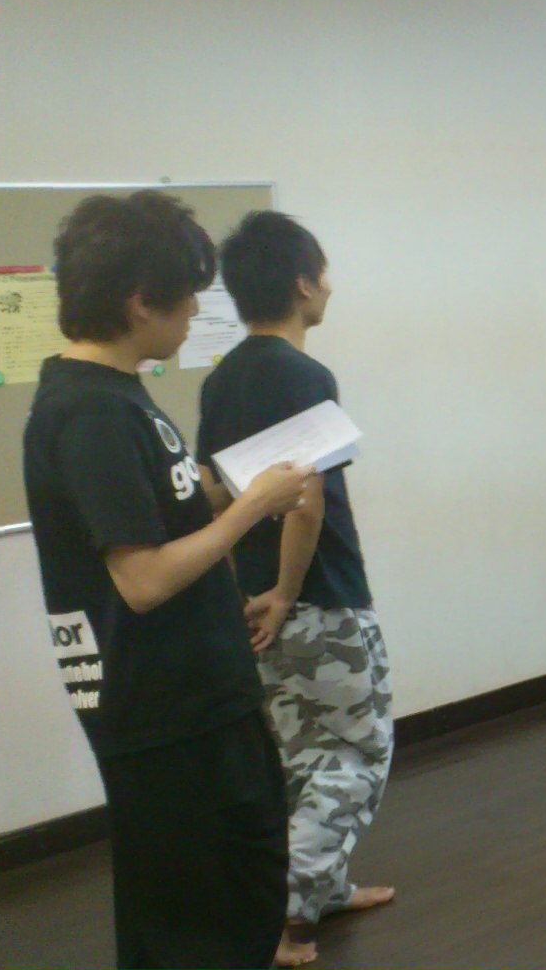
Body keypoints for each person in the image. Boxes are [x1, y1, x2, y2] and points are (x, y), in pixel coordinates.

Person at [23, 190, 310, 970]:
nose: (195, 313)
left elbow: (168, 517)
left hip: (200, 690)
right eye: (186, 296)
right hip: (163, 709)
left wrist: (241, 487)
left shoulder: (121, 395)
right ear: (139, 300)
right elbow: (143, 581)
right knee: (193, 921)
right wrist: (253, 509)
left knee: (238, 886)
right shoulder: (90, 414)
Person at [197, 211, 396, 967]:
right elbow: (305, 502)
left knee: (303, 758)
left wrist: (254, 592)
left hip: (255, 605)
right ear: (303, 284)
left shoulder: (221, 379)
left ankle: (325, 887)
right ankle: (294, 921)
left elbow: (214, 494)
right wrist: (286, 590)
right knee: (358, 754)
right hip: (320, 599)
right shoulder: (306, 376)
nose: (331, 287)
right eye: (325, 274)